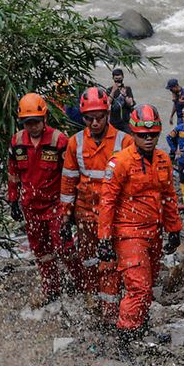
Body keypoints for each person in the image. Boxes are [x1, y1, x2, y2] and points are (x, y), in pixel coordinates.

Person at [96, 105, 182, 343]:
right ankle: (125, 337)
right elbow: (107, 202)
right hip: (128, 234)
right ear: (133, 134)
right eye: (143, 135)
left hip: (153, 232)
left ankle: (140, 329)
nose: (148, 139)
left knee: (149, 284)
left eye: (153, 135)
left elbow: (168, 197)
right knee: (139, 288)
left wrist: (174, 229)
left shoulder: (163, 160)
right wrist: (104, 239)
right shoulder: (120, 162)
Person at [61, 86, 128, 315]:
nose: (95, 123)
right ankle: (91, 293)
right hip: (85, 210)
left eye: (99, 118)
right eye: (89, 119)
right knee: (88, 257)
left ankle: (110, 303)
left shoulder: (124, 142)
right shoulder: (75, 143)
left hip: (113, 212)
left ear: (107, 115)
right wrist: (65, 214)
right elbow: (68, 181)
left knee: (110, 258)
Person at [7, 92, 71, 307]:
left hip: (54, 205)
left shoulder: (58, 141)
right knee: (41, 250)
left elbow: (69, 176)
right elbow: (13, 173)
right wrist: (13, 201)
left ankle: (82, 286)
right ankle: (51, 288)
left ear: (44, 119)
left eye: (36, 122)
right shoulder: (16, 142)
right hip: (30, 206)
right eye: (28, 123)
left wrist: (68, 209)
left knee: (64, 246)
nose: (32, 127)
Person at [105, 67, 136, 134]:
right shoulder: (109, 90)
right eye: (116, 79)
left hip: (126, 121)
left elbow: (131, 103)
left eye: (120, 79)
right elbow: (107, 104)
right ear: (113, 78)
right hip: (114, 121)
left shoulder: (127, 89)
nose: (118, 81)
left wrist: (124, 95)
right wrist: (113, 91)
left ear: (123, 77)